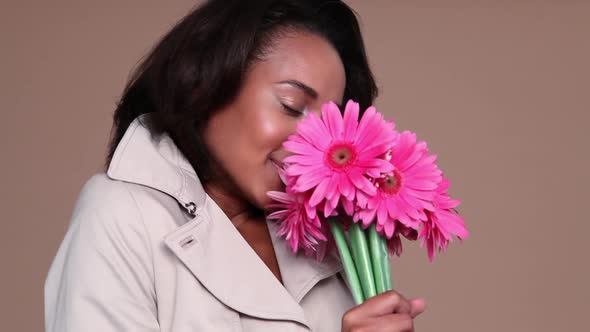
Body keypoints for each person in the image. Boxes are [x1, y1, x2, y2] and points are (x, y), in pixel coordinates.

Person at [44, 0, 426, 331]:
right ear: (208, 82)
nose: (315, 145)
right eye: (291, 106)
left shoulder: (331, 241)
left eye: (329, 123)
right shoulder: (121, 213)